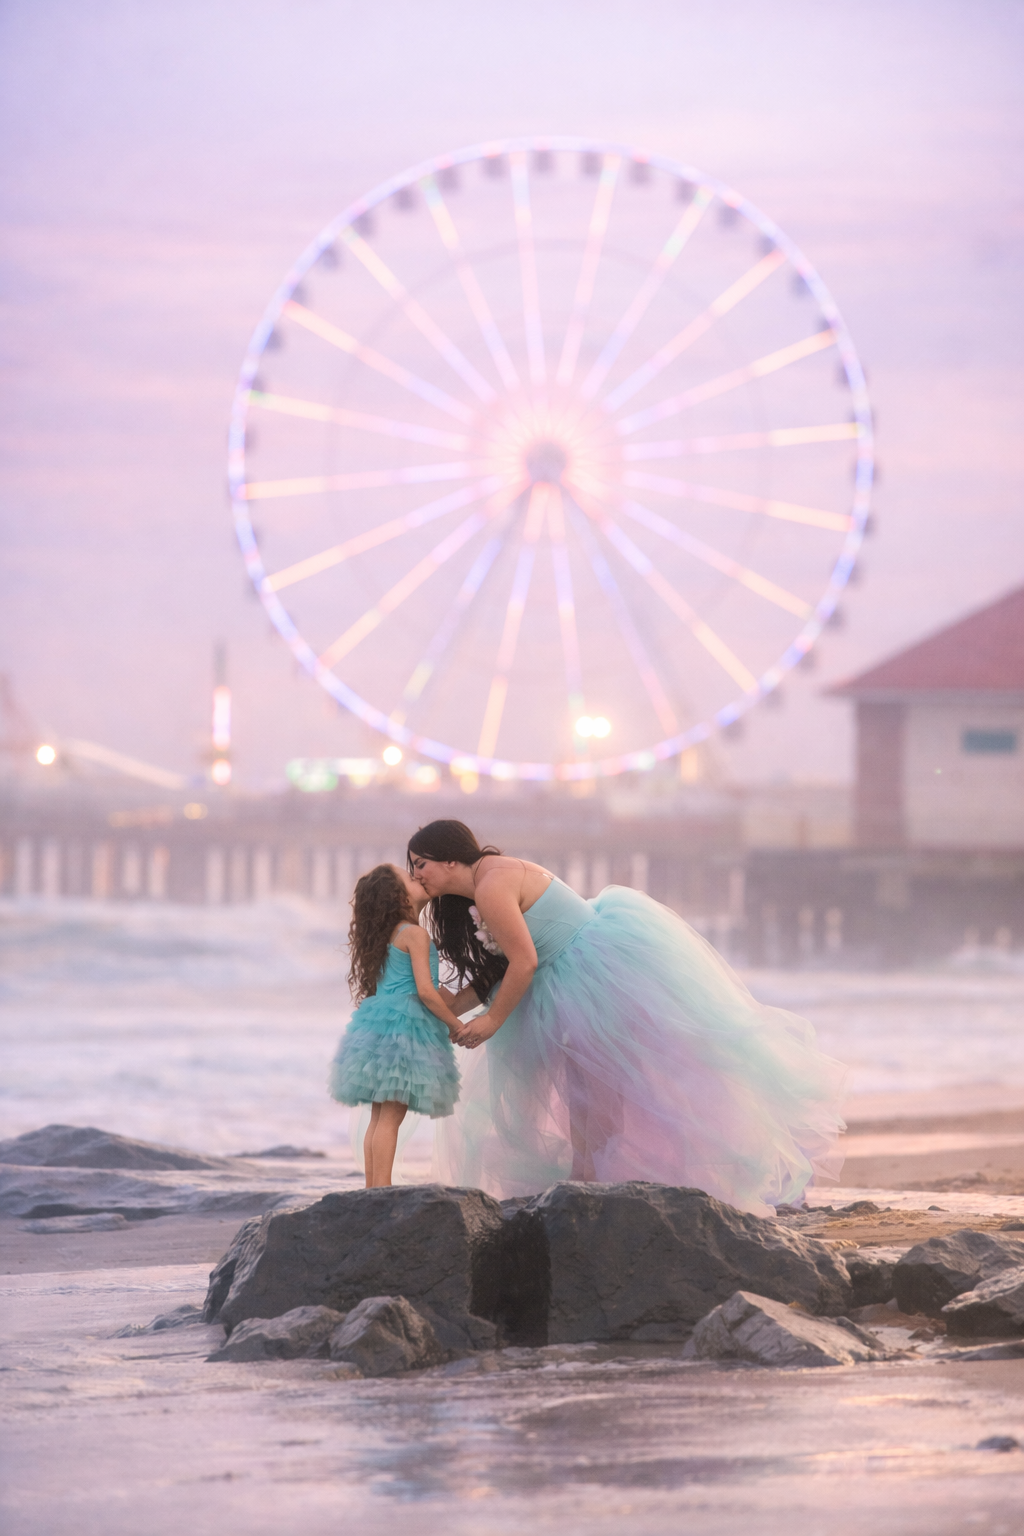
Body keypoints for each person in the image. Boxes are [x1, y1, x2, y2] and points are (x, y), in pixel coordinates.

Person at [407, 821, 845, 1217]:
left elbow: (522, 963)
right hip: (580, 976)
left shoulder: (491, 885)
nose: (416, 876)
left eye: (421, 864)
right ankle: (585, 1183)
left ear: (450, 859)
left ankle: (590, 1186)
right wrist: (436, 1010)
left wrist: (491, 1023)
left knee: (599, 1095)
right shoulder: (488, 880)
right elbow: (495, 974)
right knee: (589, 1096)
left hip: (590, 979)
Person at [330, 863, 463, 1187]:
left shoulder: (389, 935)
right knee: (391, 1117)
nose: (416, 876)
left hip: (378, 1026)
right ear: (397, 896)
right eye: (408, 878)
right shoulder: (414, 934)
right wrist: (455, 1024)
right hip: (405, 1028)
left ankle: (372, 1187)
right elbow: (426, 992)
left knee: (379, 1116)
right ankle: (382, 1190)